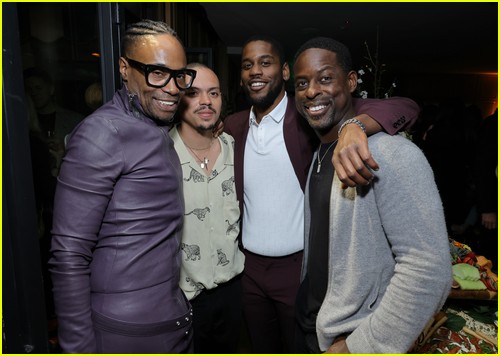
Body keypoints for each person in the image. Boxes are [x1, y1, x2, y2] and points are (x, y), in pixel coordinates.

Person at [223, 35, 421, 353]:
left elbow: (405, 107)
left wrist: (354, 125)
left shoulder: (305, 116)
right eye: (248, 65)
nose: (255, 71)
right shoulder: (234, 126)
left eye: (265, 62)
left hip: (296, 269)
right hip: (249, 270)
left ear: (284, 71)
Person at [293, 36, 451, 354]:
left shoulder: (392, 154)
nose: (311, 91)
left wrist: (361, 346)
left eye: (325, 78)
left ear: (351, 81)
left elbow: (428, 269)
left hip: (352, 338)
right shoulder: (320, 153)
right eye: (301, 83)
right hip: (313, 327)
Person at [49, 20, 196, 353]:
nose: (173, 88)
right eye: (157, 73)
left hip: (169, 325)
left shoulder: (154, 128)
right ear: (124, 69)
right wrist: (79, 349)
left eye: (179, 75)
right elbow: (68, 255)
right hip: (127, 335)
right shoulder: (102, 133)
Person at [169, 63, 245, 353]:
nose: (206, 101)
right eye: (194, 92)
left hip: (232, 291)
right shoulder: (161, 153)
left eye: (213, 93)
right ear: (179, 98)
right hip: (181, 297)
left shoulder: (236, 148)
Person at [23, 67, 84, 177]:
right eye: (29, 89)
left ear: (51, 89)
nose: (34, 93)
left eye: (38, 88)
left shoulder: (74, 120)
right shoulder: (24, 122)